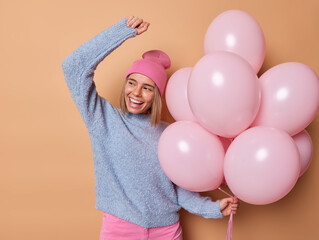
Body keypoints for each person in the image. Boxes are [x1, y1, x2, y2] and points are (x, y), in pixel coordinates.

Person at [62, 16, 238, 240]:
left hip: (167, 231)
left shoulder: (170, 133)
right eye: (132, 83)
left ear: (157, 95)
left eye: (147, 88)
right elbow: (73, 68)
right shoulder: (104, 119)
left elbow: (178, 190)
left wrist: (212, 208)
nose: (136, 93)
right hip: (120, 230)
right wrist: (121, 33)